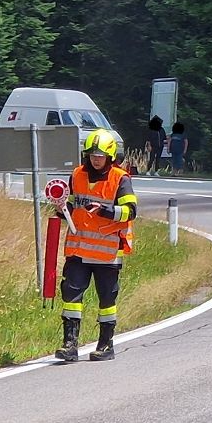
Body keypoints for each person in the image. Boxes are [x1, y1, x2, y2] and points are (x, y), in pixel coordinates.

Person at [55, 129, 136, 363]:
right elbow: (70, 207)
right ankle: (69, 345)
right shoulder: (77, 175)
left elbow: (131, 211)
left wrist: (106, 211)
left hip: (107, 253)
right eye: (92, 154)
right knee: (71, 296)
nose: (96, 158)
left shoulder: (121, 179)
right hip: (78, 249)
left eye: (100, 155)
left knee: (107, 300)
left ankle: (105, 345)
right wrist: (62, 210)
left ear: (110, 156)